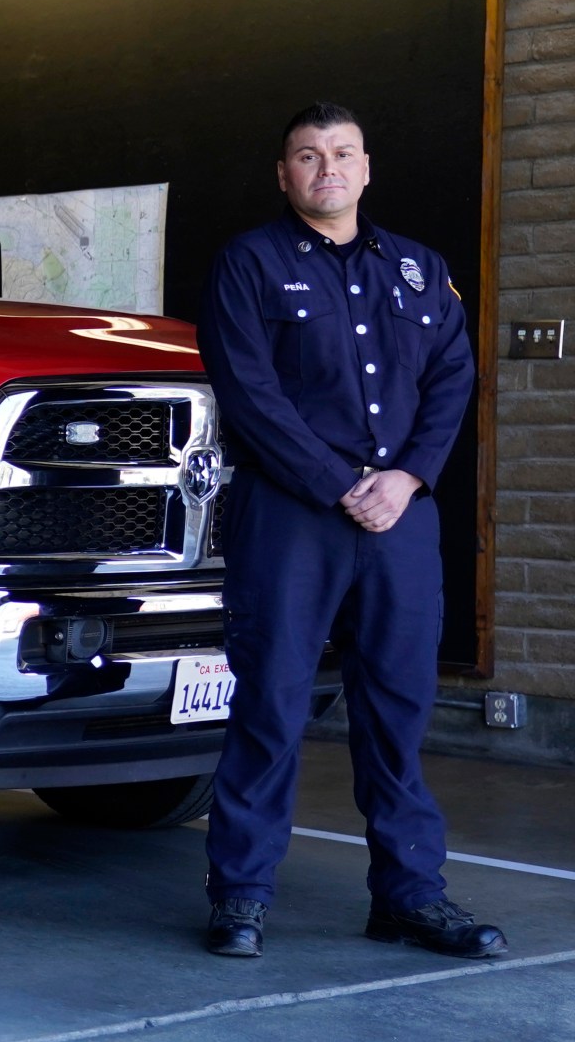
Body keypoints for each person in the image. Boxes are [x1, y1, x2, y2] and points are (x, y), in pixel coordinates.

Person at [195, 103, 502, 961]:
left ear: (366, 168)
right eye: (306, 155)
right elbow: (251, 395)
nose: (325, 168)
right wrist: (339, 485)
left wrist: (405, 478)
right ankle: (243, 896)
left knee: (400, 714)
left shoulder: (417, 269)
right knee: (272, 706)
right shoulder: (248, 265)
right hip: (292, 519)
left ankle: (409, 897)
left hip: (400, 519)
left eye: (341, 153)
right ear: (283, 175)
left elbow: (452, 378)